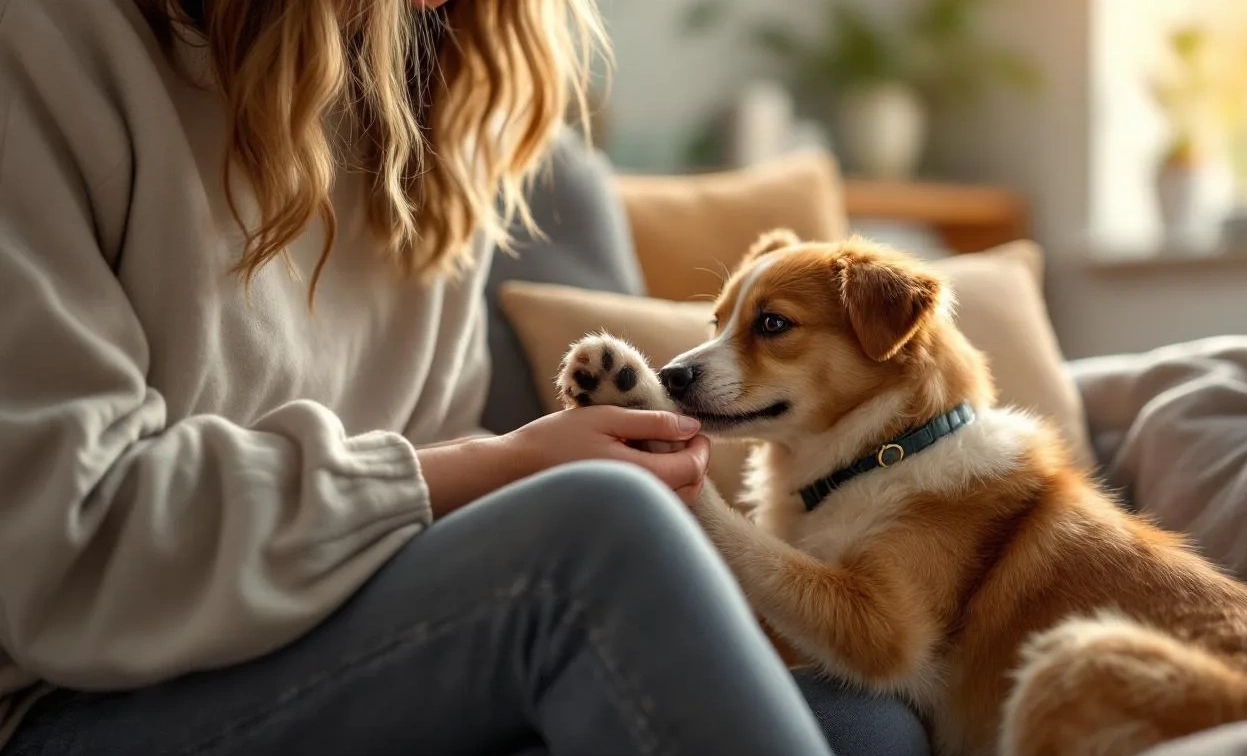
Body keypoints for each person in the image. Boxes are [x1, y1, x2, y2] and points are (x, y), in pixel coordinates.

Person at [0, 0, 931, 754]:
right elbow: (63, 539)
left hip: (323, 639)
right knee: (596, 535)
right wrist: (493, 468)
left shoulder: (438, 113)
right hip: (73, 694)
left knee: (866, 729)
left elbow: (417, 505)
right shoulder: (46, 48)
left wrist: (506, 471)